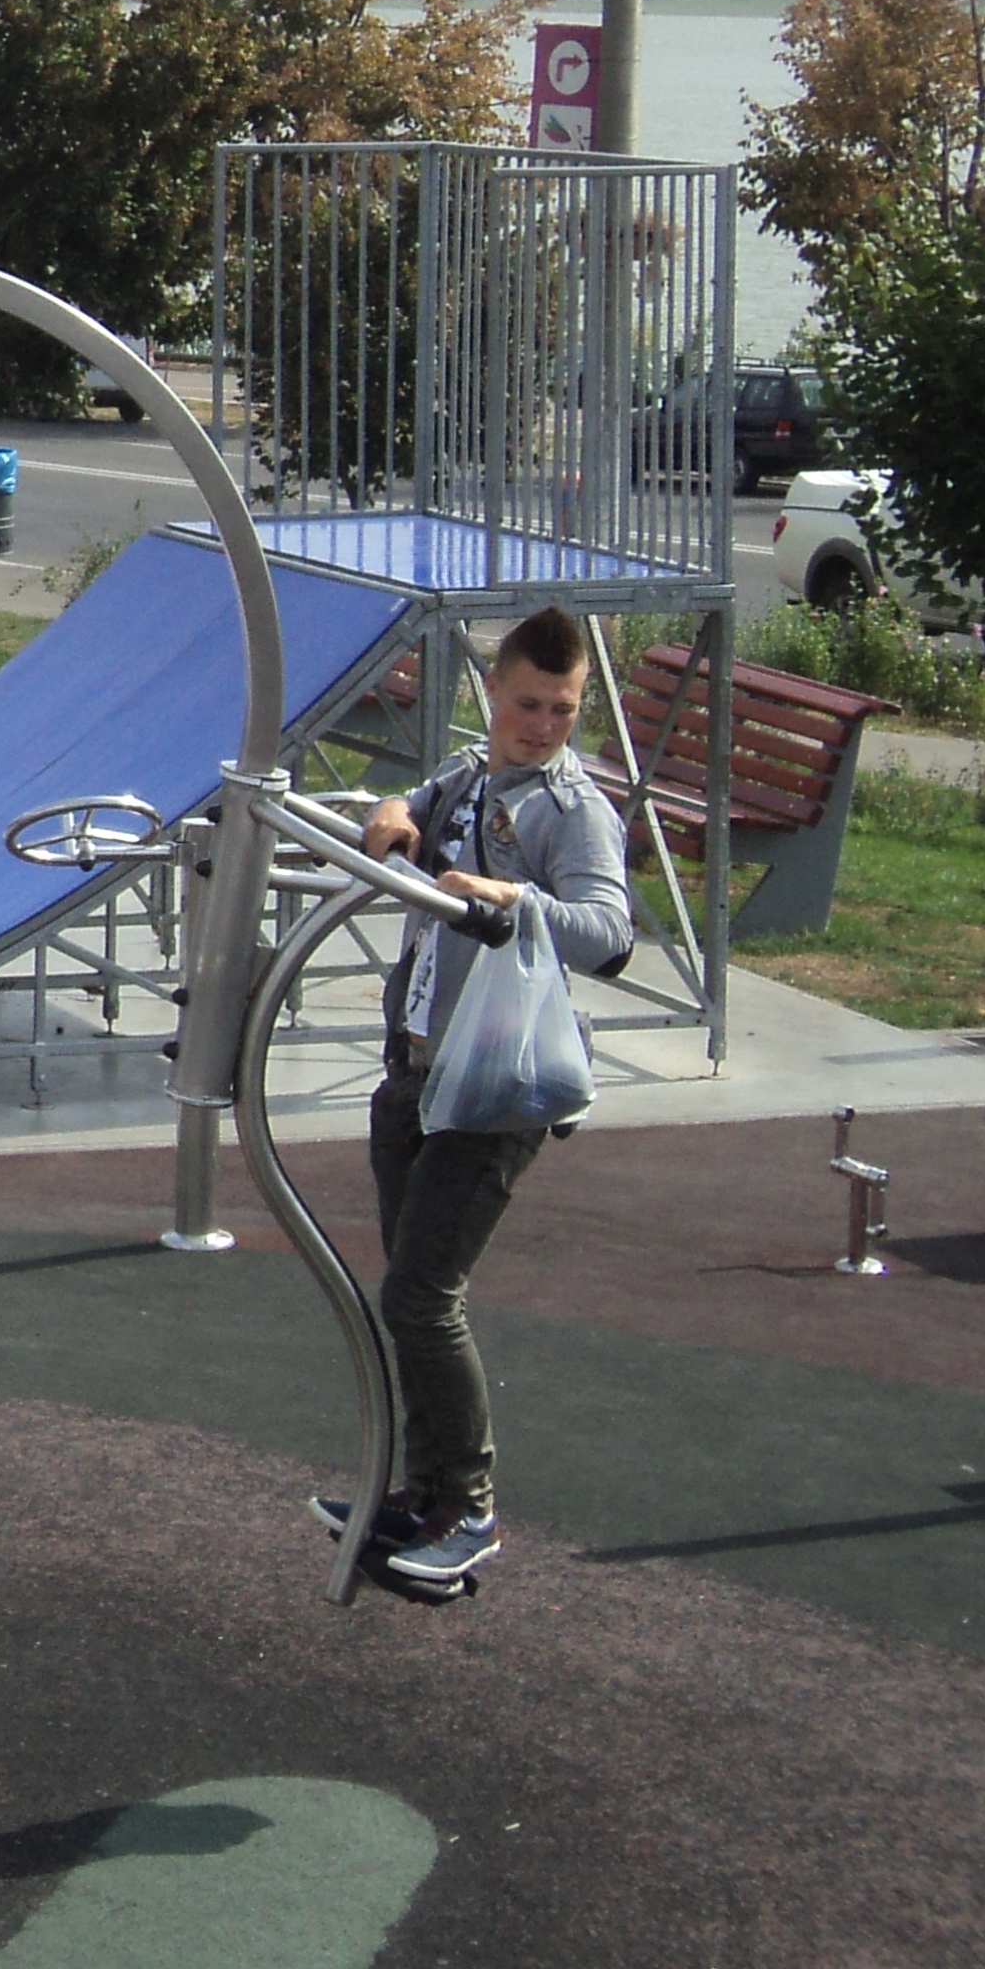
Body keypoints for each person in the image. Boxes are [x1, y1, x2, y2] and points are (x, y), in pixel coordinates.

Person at [321, 605, 631, 1590]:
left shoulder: (569, 809)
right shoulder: (463, 773)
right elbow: (406, 811)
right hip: (416, 1071)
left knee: (422, 1293)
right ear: (491, 693)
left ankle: (471, 1511)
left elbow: (609, 932)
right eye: (529, 703)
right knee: (408, 1298)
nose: (542, 726)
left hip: (496, 1085)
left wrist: (515, 902)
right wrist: (389, 815)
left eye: (564, 709)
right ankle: (425, 1491)